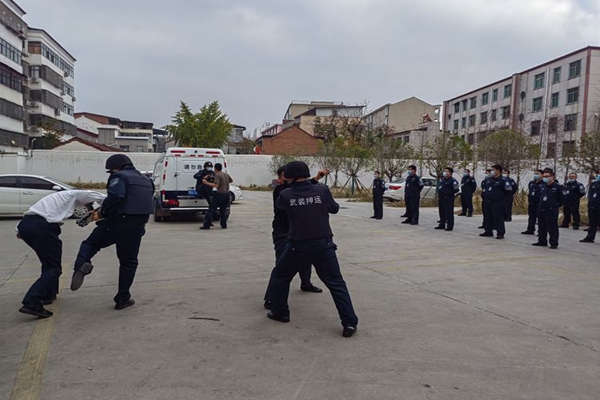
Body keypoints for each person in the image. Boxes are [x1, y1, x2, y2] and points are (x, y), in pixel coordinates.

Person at [267, 161, 359, 338]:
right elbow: (334, 209)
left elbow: (281, 207)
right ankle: (349, 323)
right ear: (307, 174)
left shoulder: (286, 195)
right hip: (324, 245)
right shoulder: (322, 191)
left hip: (297, 245)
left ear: (288, 177)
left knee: (280, 276)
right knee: (336, 283)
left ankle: (281, 312)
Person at [70, 154, 154, 310]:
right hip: (137, 225)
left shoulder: (120, 176)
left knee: (91, 244)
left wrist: (102, 212)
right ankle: (123, 298)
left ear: (116, 167)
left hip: (117, 222)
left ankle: (82, 264)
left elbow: (116, 196)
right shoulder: (147, 180)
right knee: (129, 262)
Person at [16, 190, 105, 318]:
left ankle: (48, 294)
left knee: (48, 263)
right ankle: (31, 302)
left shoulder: (55, 198)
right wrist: (102, 210)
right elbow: (106, 198)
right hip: (43, 227)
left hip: (26, 226)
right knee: (54, 269)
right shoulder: (75, 194)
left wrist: (20, 229)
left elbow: (31, 213)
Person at [263, 165, 327, 309]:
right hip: (283, 232)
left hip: (298, 230)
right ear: (281, 178)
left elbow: (302, 188)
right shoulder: (280, 191)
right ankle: (271, 298)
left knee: (306, 258)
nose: (291, 179)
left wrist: (316, 179)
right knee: (281, 266)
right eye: (287, 176)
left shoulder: (294, 189)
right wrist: (313, 181)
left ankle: (306, 283)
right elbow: (298, 190)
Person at [533, 170, 563, 249]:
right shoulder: (544, 186)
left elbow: (562, 199)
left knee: (552, 227)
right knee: (541, 226)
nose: (545, 178)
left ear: (552, 177)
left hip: (551, 210)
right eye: (544, 176)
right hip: (542, 209)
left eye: (547, 176)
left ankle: (553, 243)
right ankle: (542, 241)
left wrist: (555, 205)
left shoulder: (558, 187)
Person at [480, 164, 512, 239]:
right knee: (488, 217)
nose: (491, 171)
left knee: (498, 217)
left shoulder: (503, 180)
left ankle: (500, 233)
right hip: (488, 201)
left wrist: (502, 199)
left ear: (498, 170)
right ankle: (488, 231)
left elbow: (508, 191)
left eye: (493, 170)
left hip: (498, 202)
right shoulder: (489, 179)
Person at [200, 163, 233, 230]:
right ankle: (224, 225)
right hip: (227, 194)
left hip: (220, 194)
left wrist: (206, 183)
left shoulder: (217, 175)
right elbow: (231, 181)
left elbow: (216, 185)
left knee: (211, 209)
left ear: (215, 168)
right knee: (223, 211)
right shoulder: (225, 174)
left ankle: (206, 225)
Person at [522, 169, 544, 235]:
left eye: (537, 174)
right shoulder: (531, 183)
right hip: (532, 203)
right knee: (531, 217)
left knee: (540, 218)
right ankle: (530, 229)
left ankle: (541, 232)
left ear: (542, 175)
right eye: (535, 173)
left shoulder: (544, 184)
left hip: (539, 203)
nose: (535, 175)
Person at [580, 171, 600, 243]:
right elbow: (590, 195)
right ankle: (590, 237)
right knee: (592, 223)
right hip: (592, 206)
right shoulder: (594, 184)